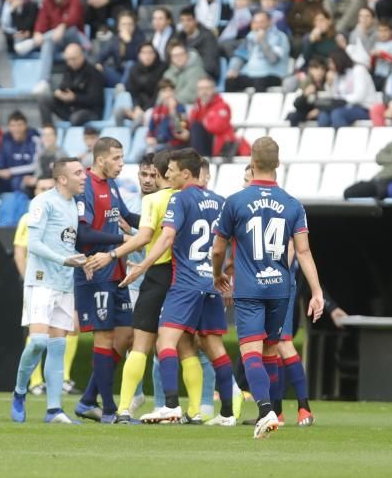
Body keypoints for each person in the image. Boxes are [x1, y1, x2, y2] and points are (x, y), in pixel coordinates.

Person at [213, 137, 325, 439]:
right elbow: (303, 252)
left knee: (250, 350)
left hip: (250, 288)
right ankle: (276, 410)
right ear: (278, 164)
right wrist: (317, 292)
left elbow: (218, 249)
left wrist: (217, 275)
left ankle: (265, 411)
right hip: (280, 289)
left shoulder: (235, 202)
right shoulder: (292, 204)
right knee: (271, 350)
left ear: (251, 161)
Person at [117, 149, 229, 426]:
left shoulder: (161, 199)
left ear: (179, 172)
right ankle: (211, 410)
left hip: (170, 275)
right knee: (196, 347)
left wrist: (127, 259)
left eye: (163, 171)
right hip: (207, 278)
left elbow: (154, 236)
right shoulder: (218, 200)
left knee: (146, 343)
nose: (163, 175)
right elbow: (223, 244)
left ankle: (130, 408)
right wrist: (224, 274)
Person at [10, 157, 88, 424]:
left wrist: (81, 260)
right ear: (62, 179)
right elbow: (34, 244)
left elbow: (67, 244)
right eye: (78, 172)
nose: (84, 176)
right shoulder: (42, 203)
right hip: (41, 280)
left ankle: (54, 409)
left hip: (65, 284)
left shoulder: (76, 205)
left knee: (57, 346)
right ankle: (20, 390)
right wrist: (64, 260)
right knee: (39, 341)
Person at [72, 137, 137, 423]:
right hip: (95, 271)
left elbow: (125, 215)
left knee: (127, 336)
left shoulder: (111, 184)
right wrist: (121, 239)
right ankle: (109, 409)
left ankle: (87, 400)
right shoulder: (83, 186)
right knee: (105, 336)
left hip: (116, 271)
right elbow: (82, 235)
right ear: (101, 160)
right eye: (117, 158)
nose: (121, 164)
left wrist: (160, 221)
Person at [37, 43, 105, 127]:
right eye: (68, 60)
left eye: (73, 59)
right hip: (71, 109)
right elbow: (63, 87)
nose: (70, 62)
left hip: (90, 111)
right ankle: (48, 130)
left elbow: (95, 99)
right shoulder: (69, 70)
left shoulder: (93, 72)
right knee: (44, 98)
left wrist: (74, 98)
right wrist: (59, 94)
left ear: (81, 56)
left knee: (76, 118)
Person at [225, 11, 291, 92]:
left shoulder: (280, 37)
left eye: (262, 22)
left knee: (259, 82)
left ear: (270, 22)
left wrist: (262, 41)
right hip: (250, 74)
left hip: (272, 74)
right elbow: (240, 55)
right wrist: (233, 68)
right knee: (230, 81)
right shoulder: (250, 36)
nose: (258, 25)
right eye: (256, 22)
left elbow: (273, 59)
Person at [0, 112, 40, 194]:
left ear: (26, 125)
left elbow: (35, 165)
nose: (16, 129)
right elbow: (0, 159)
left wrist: (11, 171)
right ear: (9, 127)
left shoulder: (34, 139)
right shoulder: (5, 140)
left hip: (27, 176)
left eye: (20, 125)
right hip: (7, 176)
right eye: (13, 125)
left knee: (18, 182)